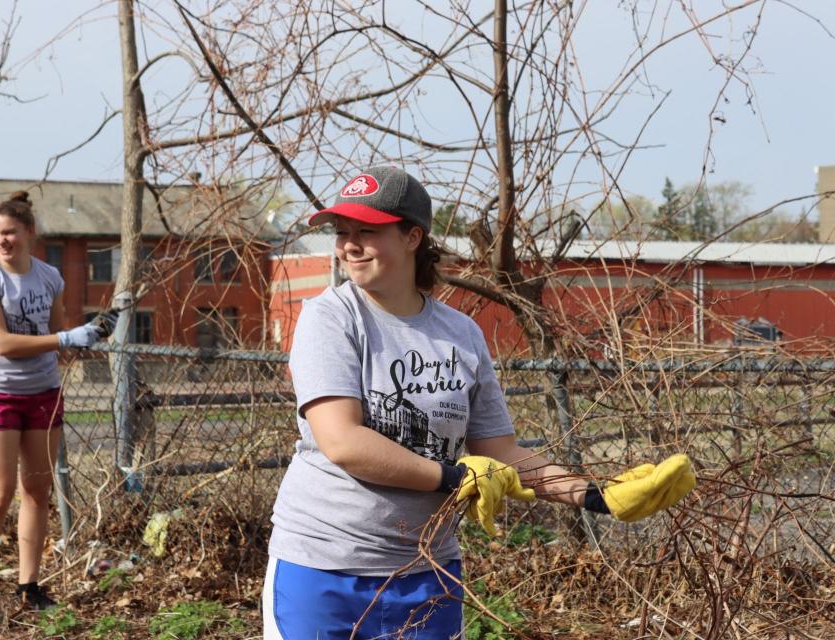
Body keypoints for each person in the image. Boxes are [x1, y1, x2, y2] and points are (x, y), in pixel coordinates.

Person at [263, 166, 695, 639]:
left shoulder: (461, 334)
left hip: (427, 572)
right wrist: (455, 477)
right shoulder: (331, 317)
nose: (349, 245)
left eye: (367, 231)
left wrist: (595, 495)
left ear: (412, 237)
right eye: (343, 232)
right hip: (323, 569)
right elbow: (342, 441)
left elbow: (500, 454)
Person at [0, 191, 117, 629]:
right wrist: (68, 338)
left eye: (9, 232)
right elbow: (4, 343)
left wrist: (92, 336)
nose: (1, 241)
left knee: (38, 493)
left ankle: (29, 587)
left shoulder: (49, 276)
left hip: (44, 394)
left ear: (30, 233)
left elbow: (54, 336)